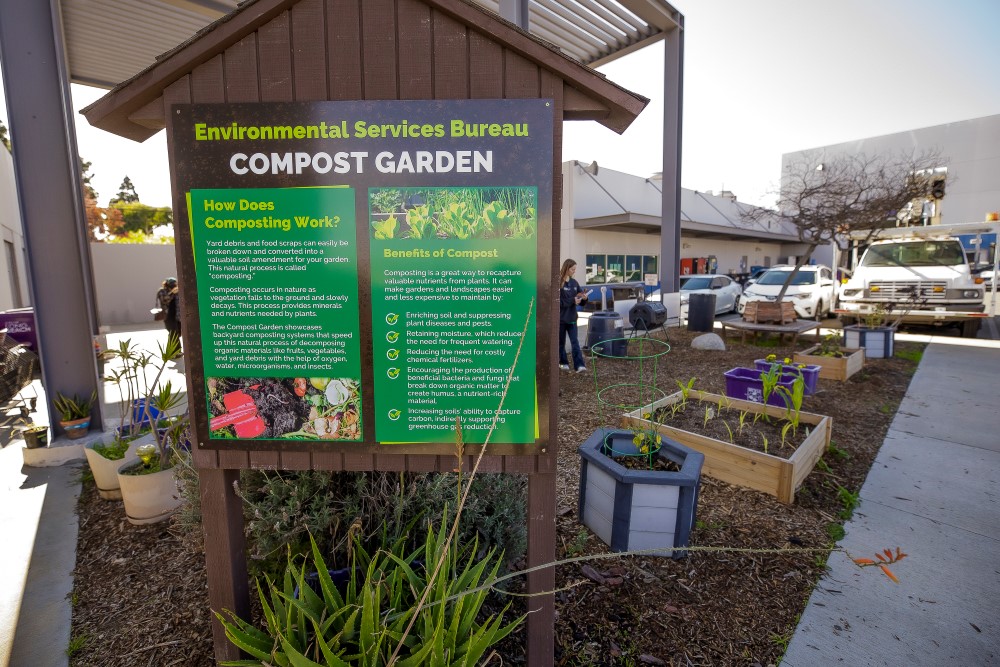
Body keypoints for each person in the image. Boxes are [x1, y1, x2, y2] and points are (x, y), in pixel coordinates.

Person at [559, 259, 588, 372]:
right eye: (572, 269)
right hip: (561, 319)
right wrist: (572, 300)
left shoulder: (574, 283)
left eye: (575, 269)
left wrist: (584, 298)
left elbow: (580, 298)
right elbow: (559, 302)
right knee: (561, 343)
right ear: (566, 268)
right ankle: (563, 362)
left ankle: (579, 365)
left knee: (575, 342)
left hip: (572, 318)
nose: (574, 271)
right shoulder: (559, 282)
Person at [155, 277, 182, 348]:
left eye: (174, 284)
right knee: (173, 333)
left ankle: (172, 351)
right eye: (171, 284)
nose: (173, 286)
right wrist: (172, 292)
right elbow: (164, 300)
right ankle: (175, 352)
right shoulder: (162, 291)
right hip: (168, 316)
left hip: (177, 316)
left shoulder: (177, 291)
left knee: (178, 333)